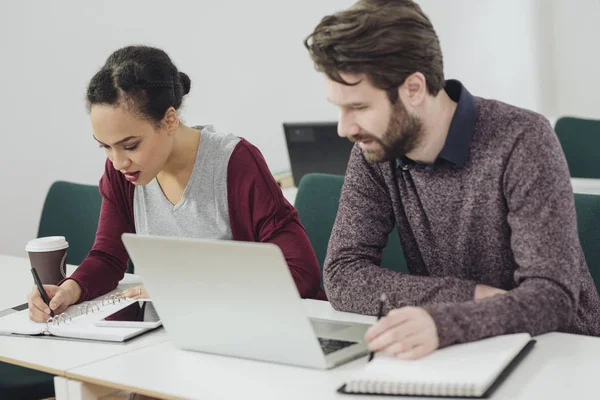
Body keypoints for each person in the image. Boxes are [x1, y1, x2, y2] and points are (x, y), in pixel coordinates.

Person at [304, 0, 600, 359]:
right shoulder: (375, 149)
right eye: (338, 107)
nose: (344, 128)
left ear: (414, 88)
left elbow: (552, 299)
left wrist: (444, 322)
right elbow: (342, 276)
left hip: (561, 351)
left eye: (359, 107)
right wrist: (471, 297)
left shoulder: (523, 139)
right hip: (457, 354)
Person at [28, 45, 324, 321]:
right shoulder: (122, 172)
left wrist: (188, 290)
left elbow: (300, 274)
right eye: (104, 146)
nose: (118, 162)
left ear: (169, 121)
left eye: (130, 146)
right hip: (174, 331)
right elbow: (108, 257)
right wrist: (71, 288)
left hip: (250, 329)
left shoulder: (235, 162)